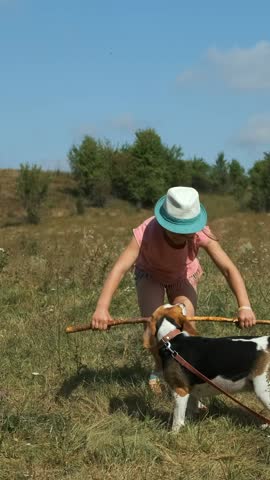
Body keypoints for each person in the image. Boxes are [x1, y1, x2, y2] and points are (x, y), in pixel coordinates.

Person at [91, 186, 256, 388]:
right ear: (165, 222)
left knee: (186, 323)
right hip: (150, 275)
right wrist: (102, 307)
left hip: (182, 275)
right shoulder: (146, 231)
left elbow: (228, 268)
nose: (185, 235)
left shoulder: (200, 233)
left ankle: (188, 372)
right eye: (179, 230)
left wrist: (244, 306)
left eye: (189, 230)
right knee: (155, 327)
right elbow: (120, 267)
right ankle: (160, 367)